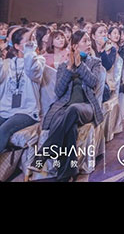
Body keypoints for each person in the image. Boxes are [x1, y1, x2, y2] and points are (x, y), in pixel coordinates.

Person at [35, 30, 104, 182]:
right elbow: (59, 92)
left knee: (73, 110)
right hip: (64, 107)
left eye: (88, 41)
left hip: (86, 106)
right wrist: (69, 68)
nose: (88, 44)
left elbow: (93, 82)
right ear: (75, 46)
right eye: (84, 41)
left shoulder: (94, 62)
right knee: (70, 127)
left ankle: (43, 153)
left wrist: (79, 65)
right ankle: (66, 174)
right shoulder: (63, 66)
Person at [0, 27, 43, 154]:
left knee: (3, 130)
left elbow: (31, 69)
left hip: (26, 111)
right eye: (28, 41)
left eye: (33, 40)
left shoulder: (39, 61)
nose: (32, 43)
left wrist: (29, 49)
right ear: (17, 46)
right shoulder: (8, 63)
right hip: (5, 110)